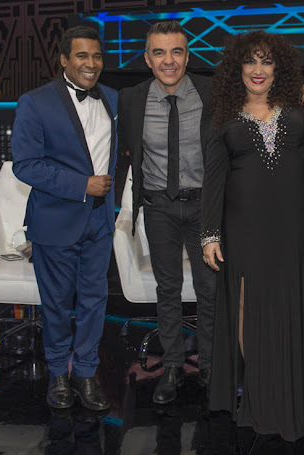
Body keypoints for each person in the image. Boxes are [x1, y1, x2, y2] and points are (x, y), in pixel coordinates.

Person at [201, 31, 304, 442]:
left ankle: (287, 398)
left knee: (287, 305)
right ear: (237, 68)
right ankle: (258, 394)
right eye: (250, 61)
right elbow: (213, 180)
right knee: (245, 306)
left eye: (266, 61)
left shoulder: (303, 112)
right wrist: (209, 234)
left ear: (278, 68)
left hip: (289, 227)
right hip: (242, 228)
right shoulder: (222, 115)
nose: (258, 70)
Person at [12, 25, 117, 411]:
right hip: (56, 219)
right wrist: (81, 184)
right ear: (63, 59)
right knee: (56, 303)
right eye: (82, 55)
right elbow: (25, 165)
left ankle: (85, 372)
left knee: (94, 300)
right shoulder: (34, 102)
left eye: (97, 56)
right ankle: (58, 373)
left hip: (100, 221)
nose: (91, 63)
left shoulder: (113, 99)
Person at [117, 20, 217, 405]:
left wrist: (302, 93)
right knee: (168, 289)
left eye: (176, 51)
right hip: (158, 207)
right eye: (159, 52)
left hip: (204, 207)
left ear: (187, 56)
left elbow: (262, 95)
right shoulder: (131, 98)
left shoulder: (212, 92)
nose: (168, 60)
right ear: (147, 58)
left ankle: (209, 366)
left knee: (209, 290)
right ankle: (172, 365)